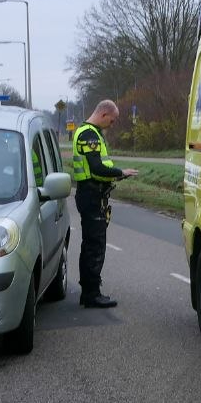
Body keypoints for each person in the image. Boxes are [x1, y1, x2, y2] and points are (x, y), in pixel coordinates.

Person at [71, 100, 138, 308]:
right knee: (95, 246)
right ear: (103, 114)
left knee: (91, 244)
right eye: (113, 119)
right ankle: (91, 294)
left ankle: (89, 291)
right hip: (91, 195)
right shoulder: (89, 135)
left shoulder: (87, 131)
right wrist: (120, 173)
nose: (113, 124)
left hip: (91, 194)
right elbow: (96, 168)